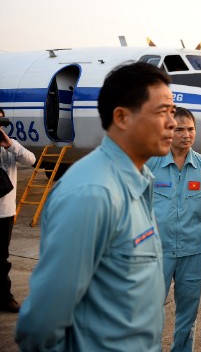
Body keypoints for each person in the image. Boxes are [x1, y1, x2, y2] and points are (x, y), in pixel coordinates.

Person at [15, 62, 176, 350]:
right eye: (162, 112)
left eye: (173, 112)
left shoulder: (137, 181)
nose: (173, 123)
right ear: (122, 117)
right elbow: (41, 323)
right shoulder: (92, 194)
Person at [146, 106, 201, 351]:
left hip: (192, 249)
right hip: (157, 251)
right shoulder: (152, 163)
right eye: (179, 129)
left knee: (188, 311)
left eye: (191, 129)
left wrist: (188, 226)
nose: (186, 135)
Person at [0, 108, 36, 313]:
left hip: (5, 212)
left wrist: (10, 144)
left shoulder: (9, 145)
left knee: (2, 259)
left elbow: (31, 160)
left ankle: (5, 297)